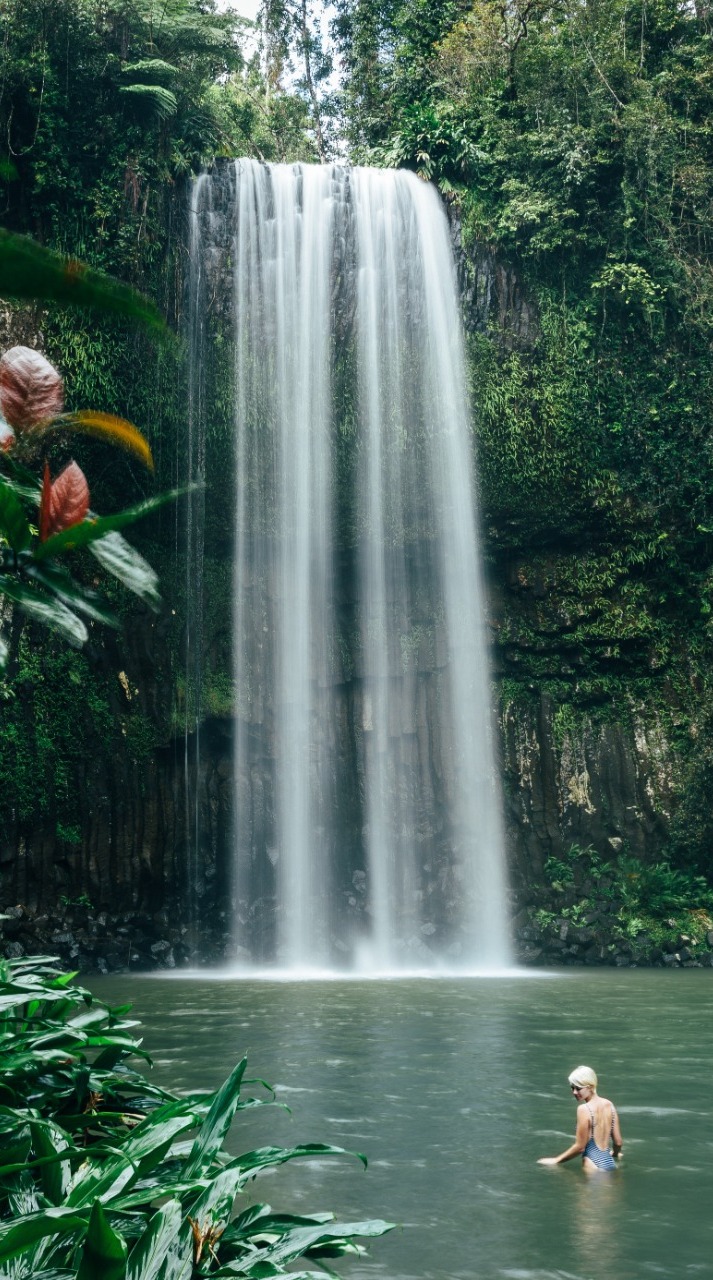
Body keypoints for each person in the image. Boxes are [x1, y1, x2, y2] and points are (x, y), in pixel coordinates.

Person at [538, 1065, 623, 1171]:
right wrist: (615, 1154)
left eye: (578, 1088)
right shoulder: (609, 1105)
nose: (574, 1092)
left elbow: (580, 1147)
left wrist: (556, 1160)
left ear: (590, 1087)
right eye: (572, 1088)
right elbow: (618, 1142)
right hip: (609, 1163)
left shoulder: (584, 1109)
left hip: (593, 1163)